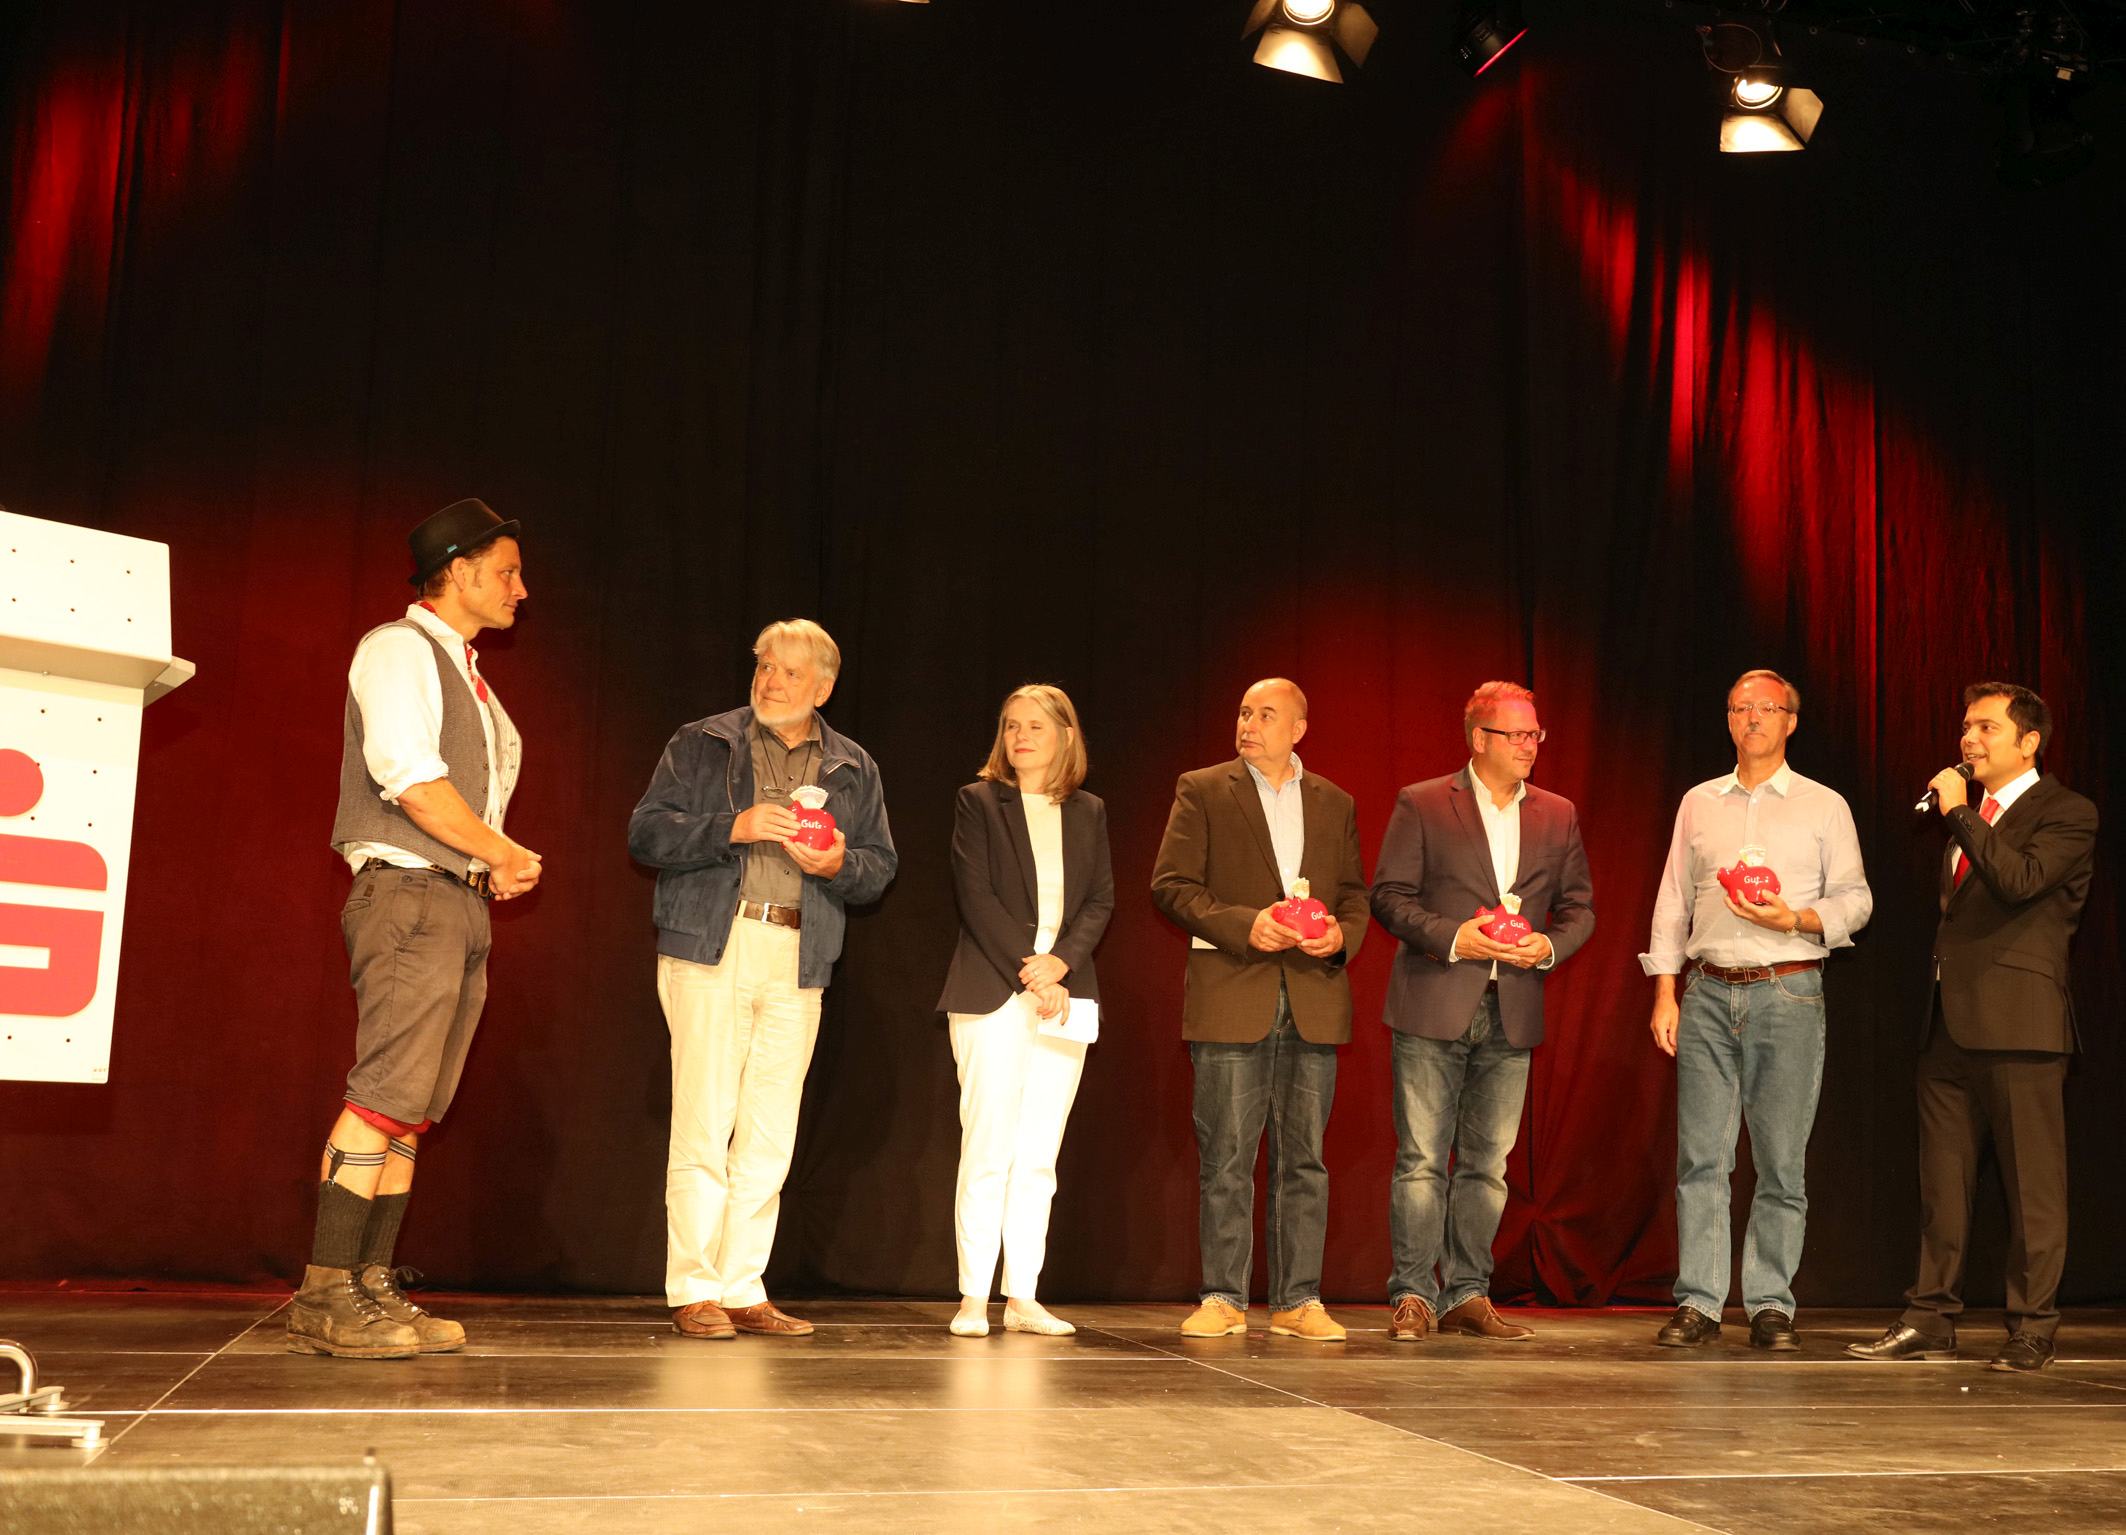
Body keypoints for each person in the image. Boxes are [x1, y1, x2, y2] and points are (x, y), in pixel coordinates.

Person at [296, 498, 540, 1359]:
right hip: (410, 893)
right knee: (382, 1096)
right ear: (460, 570)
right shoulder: (399, 648)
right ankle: (325, 1292)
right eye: (507, 572)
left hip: (453, 899)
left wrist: (486, 864)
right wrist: (499, 850)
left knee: (409, 1111)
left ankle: (369, 1284)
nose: (519, 589)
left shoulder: (470, 677)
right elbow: (409, 777)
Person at [628, 619, 897, 1340]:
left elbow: (879, 867)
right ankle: (694, 1286)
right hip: (714, 945)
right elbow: (645, 832)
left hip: (799, 951)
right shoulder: (704, 741)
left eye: (789, 671)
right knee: (705, 1119)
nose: (771, 681)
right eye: (764, 666)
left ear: (823, 688)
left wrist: (839, 864)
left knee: (771, 1130)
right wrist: (732, 827)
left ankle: (743, 1285)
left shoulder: (852, 766)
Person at [1849, 683, 2097, 1372]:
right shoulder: (1975, 814)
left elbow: (2019, 880)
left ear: (2029, 742)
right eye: (1965, 725)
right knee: (1942, 1186)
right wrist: (1965, 815)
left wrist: (1959, 813)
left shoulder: (2068, 812)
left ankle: (2033, 1326)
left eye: (1987, 727)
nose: (1968, 738)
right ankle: (1930, 1317)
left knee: (2032, 1186)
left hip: (2022, 1025)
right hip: (1948, 1024)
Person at [1640, 668, 1872, 1351]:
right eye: (1740, 707)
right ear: (1728, 718)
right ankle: (1700, 1302)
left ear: (1790, 721)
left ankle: (1771, 1302)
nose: (1752, 718)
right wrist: (1664, 989)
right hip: (1708, 991)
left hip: (1788, 990)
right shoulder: (1699, 802)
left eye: (1766, 707)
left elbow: (1856, 899)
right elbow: (1673, 901)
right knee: (1701, 1159)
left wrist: (1795, 917)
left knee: (1780, 1160)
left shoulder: (1823, 805)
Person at [1370, 681, 1594, 1343]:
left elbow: (1579, 909)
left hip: (1512, 1008)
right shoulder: (1423, 801)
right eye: (1516, 734)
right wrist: (1452, 937)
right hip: (1435, 999)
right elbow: (1389, 896)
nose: (1529, 745)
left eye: (1535, 734)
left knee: (1488, 1165)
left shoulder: (1557, 813)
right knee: (1421, 1159)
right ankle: (1414, 1293)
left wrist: (1546, 946)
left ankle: (1467, 1292)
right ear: (1479, 739)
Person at [1150, 678, 1368, 1342]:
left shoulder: (1334, 801)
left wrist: (1340, 939)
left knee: (1306, 1160)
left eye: (1266, 714)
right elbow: (1171, 886)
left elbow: (1354, 896)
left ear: (1298, 728)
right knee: (1227, 1155)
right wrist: (1247, 924)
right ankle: (1223, 1296)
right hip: (1231, 994)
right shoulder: (1203, 788)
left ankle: (1299, 1300)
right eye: (1244, 712)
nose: (1249, 723)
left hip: (1312, 999)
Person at [935, 685, 1114, 1338]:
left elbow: (1099, 900)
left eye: (1035, 726)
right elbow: (975, 895)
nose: (1020, 736)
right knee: (988, 1146)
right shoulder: (979, 801)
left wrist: (1060, 963)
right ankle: (972, 1296)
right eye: (1011, 725)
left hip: (1065, 993)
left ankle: (1023, 1296)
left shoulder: (1089, 811)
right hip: (993, 990)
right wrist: (1032, 968)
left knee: (1038, 1154)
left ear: (1066, 735)